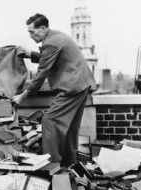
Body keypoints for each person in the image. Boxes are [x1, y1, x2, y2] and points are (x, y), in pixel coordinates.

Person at [13, 13, 96, 166]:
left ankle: (50, 166)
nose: (30, 36)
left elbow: (41, 74)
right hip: (82, 84)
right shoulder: (55, 37)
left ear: (43, 28)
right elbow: (51, 56)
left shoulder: (51, 42)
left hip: (72, 87)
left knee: (49, 120)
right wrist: (30, 54)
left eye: (32, 32)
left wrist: (22, 96)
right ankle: (68, 164)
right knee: (70, 128)